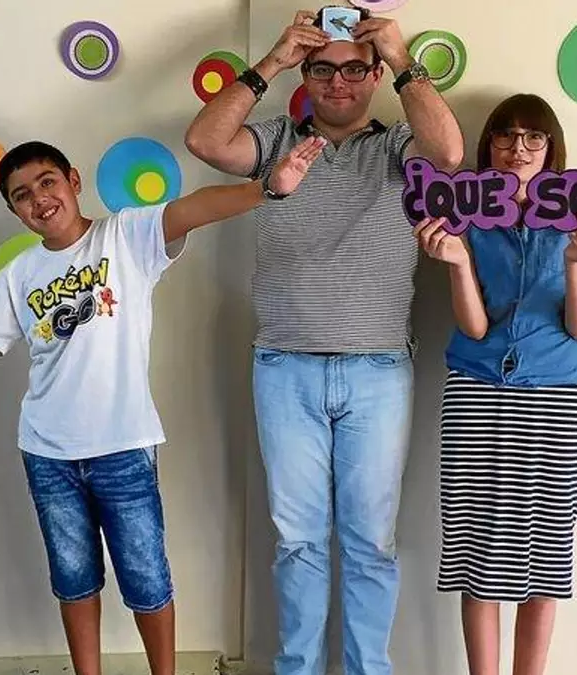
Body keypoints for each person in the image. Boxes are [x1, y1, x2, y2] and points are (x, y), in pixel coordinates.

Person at [0, 136, 325, 675]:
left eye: (47, 182)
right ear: (14, 211)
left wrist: (266, 189)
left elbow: (192, 210)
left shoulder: (125, 237)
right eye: (22, 195)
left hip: (123, 449)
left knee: (147, 580)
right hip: (47, 455)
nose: (39, 199)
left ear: (74, 181)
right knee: (74, 581)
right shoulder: (19, 275)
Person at [184, 6, 463, 675]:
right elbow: (205, 141)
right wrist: (274, 59)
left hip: (378, 372)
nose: (337, 82)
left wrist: (399, 56)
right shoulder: (276, 140)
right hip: (284, 369)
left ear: (373, 76)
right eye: (321, 69)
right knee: (298, 543)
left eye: (352, 70)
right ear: (305, 75)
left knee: (371, 544)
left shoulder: (399, 148)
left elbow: (450, 154)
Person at [412, 93, 577, 675]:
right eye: (505, 136)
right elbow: (475, 327)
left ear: (551, 149)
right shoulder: (470, 220)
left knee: (545, 558)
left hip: (555, 396)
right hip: (477, 392)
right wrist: (456, 261)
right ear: (489, 146)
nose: (517, 149)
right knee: (477, 555)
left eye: (533, 137)